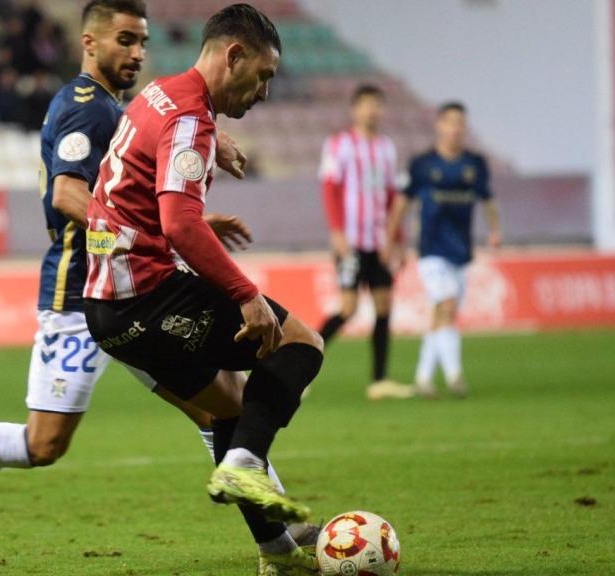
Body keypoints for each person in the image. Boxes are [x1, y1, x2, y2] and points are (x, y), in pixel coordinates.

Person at [0, 1, 318, 566]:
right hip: (79, 290)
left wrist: (177, 216)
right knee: (44, 445)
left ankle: (277, 537)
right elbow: (67, 195)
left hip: (120, 288)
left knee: (221, 407)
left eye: (142, 42)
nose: (137, 53)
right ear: (89, 42)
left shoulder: (131, 105)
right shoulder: (86, 108)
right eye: (124, 41)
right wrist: (153, 234)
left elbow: (143, 186)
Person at [81, 4, 323, 575]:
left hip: (105, 311)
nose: (263, 93)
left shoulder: (160, 94)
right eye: (262, 76)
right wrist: (247, 293)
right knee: (300, 344)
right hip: (147, 293)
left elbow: (142, 174)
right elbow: (180, 224)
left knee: (229, 412)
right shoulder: (191, 117)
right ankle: (245, 461)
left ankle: (278, 554)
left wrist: (215, 145)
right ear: (233, 56)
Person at [385, 101, 502, 397]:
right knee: (447, 306)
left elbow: (487, 200)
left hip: (461, 250)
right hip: (431, 250)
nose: (455, 128)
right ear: (439, 125)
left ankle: (423, 378)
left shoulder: (475, 165)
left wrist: (495, 230)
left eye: (460, 123)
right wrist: (392, 240)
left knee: (442, 313)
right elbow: (402, 203)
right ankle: (454, 376)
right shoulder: (422, 164)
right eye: (449, 122)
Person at [317, 84, 411, 400]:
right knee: (348, 308)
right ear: (355, 109)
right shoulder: (339, 145)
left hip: (379, 242)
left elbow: (391, 196)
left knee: (384, 306)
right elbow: (330, 189)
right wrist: (338, 233)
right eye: (367, 104)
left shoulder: (386, 148)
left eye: (377, 105)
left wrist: (398, 238)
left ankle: (379, 380)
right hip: (352, 241)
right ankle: (296, 369)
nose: (372, 110)